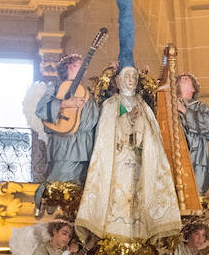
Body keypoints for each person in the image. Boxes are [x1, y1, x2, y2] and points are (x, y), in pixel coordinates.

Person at [75, 66, 182, 243]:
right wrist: (128, 120)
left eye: (134, 76)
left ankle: (144, 230)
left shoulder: (144, 106)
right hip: (118, 160)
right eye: (126, 76)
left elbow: (153, 135)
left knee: (140, 194)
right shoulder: (110, 105)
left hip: (141, 161)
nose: (131, 79)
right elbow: (106, 136)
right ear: (118, 81)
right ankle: (112, 231)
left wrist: (140, 126)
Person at [24, 54, 99, 188]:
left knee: (82, 190)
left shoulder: (86, 91)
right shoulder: (56, 87)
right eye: (79, 65)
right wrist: (65, 103)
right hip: (65, 146)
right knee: (60, 186)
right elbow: (41, 110)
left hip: (86, 146)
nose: (84, 69)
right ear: (69, 66)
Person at [177, 73, 209, 195]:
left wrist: (183, 110)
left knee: (194, 193)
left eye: (185, 79)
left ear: (193, 89)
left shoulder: (201, 107)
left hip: (196, 156)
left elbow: (207, 125)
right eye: (179, 79)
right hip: (178, 154)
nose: (181, 79)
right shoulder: (169, 106)